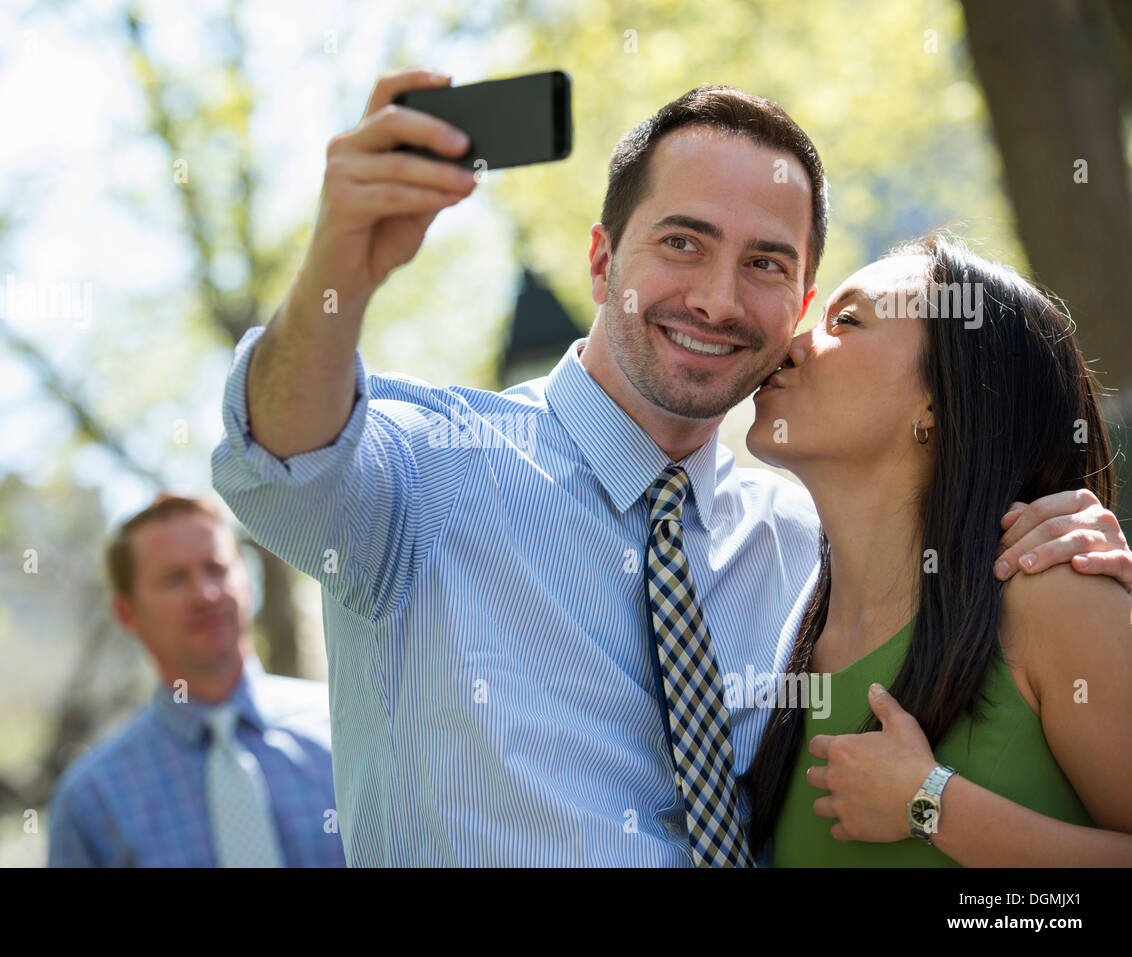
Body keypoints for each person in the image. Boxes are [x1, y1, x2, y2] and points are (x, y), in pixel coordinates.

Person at [210, 67, 1132, 866]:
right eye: (682, 242)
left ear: (799, 302)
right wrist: (343, 263)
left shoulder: (820, 547)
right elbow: (281, 459)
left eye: (766, 263)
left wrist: (1069, 533)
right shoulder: (425, 469)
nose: (719, 299)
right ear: (604, 257)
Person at [743, 234, 1132, 865]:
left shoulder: (1053, 594)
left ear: (941, 400)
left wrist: (932, 806)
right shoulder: (780, 632)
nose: (789, 346)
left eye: (845, 321)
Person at [47, 494, 345, 867]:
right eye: (174, 580)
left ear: (248, 583)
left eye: (217, 569)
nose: (206, 594)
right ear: (126, 612)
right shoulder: (93, 801)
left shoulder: (345, 733)